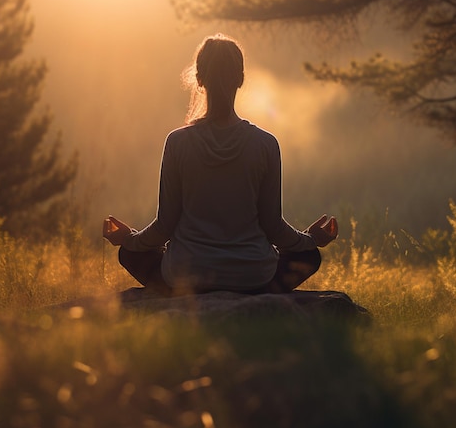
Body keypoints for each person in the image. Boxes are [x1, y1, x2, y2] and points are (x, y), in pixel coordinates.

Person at [103, 34, 338, 295]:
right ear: (240, 79)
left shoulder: (177, 142)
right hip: (253, 279)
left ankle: (185, 291)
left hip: (185, 278)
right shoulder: (266, 144)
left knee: (130, 253)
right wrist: (311, 239)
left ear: (199, 79)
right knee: (309, 256)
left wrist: (128, 239)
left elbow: (164, 226)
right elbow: (274, 228)